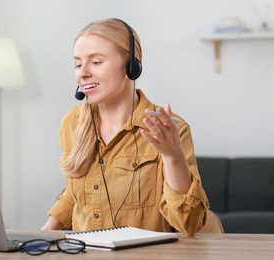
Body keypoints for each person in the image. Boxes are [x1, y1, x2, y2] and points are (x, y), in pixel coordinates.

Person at [41, 18, 209, 236]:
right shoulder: (72, 123)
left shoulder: (169, 129)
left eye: (96, 62)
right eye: (77, 63)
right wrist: (43, 234)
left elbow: (189, 224)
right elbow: (76, 191)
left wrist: (173, 156)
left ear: (132, 66)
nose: (82, 73)